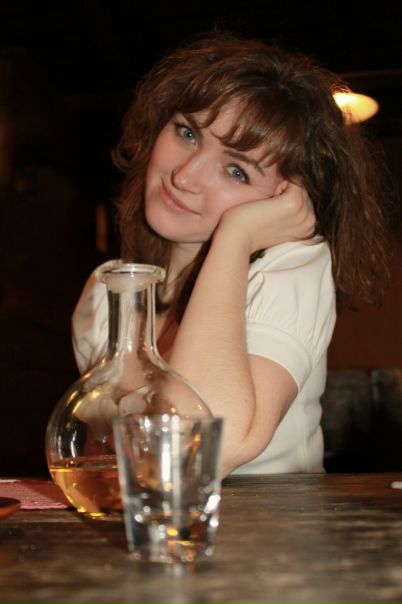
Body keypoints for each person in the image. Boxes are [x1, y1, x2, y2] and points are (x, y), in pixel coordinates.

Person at [72, 32, 389, 477]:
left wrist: (236, 236)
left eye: (236, 171)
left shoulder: (290, 268)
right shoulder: (109, 292)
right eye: (187, 133)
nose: (184, 176)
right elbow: (107, 460)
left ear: (286, 199)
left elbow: (196, 451)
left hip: (274, 525)